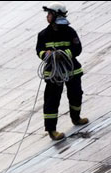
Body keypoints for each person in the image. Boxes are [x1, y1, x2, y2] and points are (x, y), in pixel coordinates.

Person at [37, 2, 88, 141]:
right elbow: (39, 51)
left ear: (56, 16)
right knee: (52, 100)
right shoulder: (43, 35)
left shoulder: (69, 32)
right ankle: (52, 130)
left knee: (76, 94)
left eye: (49, 14)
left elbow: (77, 49)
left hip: (72, 70)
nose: (47, 16)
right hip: (53, 73)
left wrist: (63, 53)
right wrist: (47, 55)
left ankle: (76, 118)